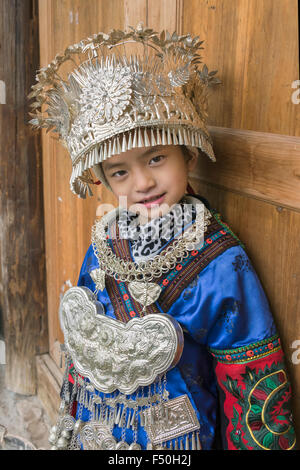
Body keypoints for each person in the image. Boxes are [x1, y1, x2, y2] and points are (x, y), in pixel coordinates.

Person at [29, 24, 296, 451]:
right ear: (101, 182)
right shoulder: (106, 240)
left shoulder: (220, 260)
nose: (143, 182)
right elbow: (86, 342)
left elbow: (251, 381)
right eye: (119, 171)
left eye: (155, 158)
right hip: (99, 432)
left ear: (188, 153)